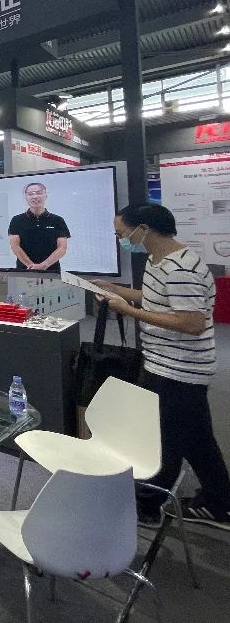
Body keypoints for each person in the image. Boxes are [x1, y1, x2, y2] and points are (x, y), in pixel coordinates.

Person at [94, 203, 230, 529]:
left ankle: (148, 504)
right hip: (164, 363)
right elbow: (157, 298)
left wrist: (127, 310)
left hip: (178, 369)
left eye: (121, 232)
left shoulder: (182, 268)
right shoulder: (158, 261)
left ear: (143, 229)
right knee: (197, 440)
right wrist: (115, 290)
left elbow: (191, 322)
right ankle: (221, 503)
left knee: (163, 442)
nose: (120, 238)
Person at [8, 182, 70, 273]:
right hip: (24, 270)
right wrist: (30, 265)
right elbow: (15, 246)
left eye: (39, 193)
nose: (35, 196)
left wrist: (44, 265)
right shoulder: (17, 220)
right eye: (30, 194)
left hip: (52, 271)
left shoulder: (57, 220)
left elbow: (62, 247)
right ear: (25, 197)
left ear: (46, 195)